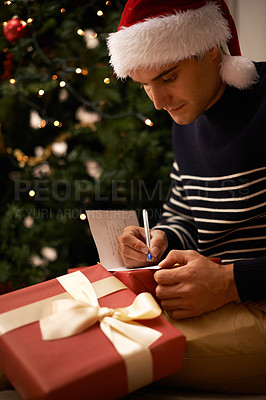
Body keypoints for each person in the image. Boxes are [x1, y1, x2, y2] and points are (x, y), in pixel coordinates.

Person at [107, 0, 266, 394]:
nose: (158, 102)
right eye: (145, 86)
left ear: (211, 48)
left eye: (168, 77)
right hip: (224, 297)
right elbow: (185, 213)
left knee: (104, 354)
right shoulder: (189, 114)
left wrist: (230, 282)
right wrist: (160, 238)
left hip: (250, 298)